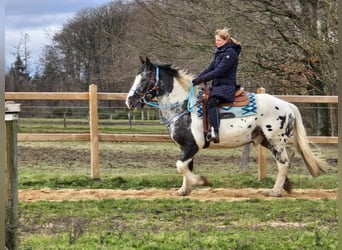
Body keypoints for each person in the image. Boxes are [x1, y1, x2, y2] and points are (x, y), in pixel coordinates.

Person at [192, 27, 241, 143]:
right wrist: (196, 78)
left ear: (225, 40)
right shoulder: (219, 52)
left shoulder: (230, 53)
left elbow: (219, 71)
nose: (216, 42)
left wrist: (202, 79)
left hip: (227, 86)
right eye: (216, 40)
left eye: (218, 40)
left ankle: (215, 131)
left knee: (212, 101)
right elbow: (210, 68)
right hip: (218, 86)